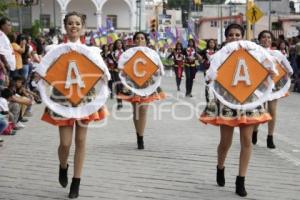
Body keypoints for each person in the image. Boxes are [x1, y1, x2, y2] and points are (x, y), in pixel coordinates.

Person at [38, 11, 110, 199]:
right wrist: (40, 75)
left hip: (85, 99)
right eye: (70, 23)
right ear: (65, 26)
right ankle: (63, 166)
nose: (74, 26)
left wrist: (103, 76)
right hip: (61, 100)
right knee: (65, 143)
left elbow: (104, 73)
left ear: (83, 27)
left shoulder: (92, 52)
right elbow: (44, 72)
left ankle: (76, 182)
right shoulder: (54, 50)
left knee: (80, 141)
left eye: (77, 23)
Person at [200, 24, 275, 197]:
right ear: (226, 38)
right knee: (225, 142)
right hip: (227, 101)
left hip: (249, 101)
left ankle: (241, 180)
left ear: (243, 37)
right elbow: (210, 77)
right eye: (231, 35)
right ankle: (220, 167)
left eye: (238, 35)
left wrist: (269, 75)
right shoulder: (220, 56)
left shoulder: (254, 53)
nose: (234, 38)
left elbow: (266, 73)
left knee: (247, 140)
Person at [118, 31, 165, 149]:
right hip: (133, 84)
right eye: (137, 38)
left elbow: (159, 68)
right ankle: (138, 134)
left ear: (146, 41)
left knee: (143, 109)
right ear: (134, 41)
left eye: (142, 38)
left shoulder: (152, 53)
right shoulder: (128, 54)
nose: (140, 40)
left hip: (147, 84)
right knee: (136, 111)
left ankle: (141, 138)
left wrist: (154, 74)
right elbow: (121, 67)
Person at [252, 30, 293, 148]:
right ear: (259, 40)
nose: (266, 39)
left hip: (273, 86)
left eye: (269, 37)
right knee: (260, 110)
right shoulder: (254, 53)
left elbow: (290, 70)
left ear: (272, 40)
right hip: (259, 86)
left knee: (272, 111)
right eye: (263, 37)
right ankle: (255, 132)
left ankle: (270, 137)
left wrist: (283, 77)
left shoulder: (277, 53)